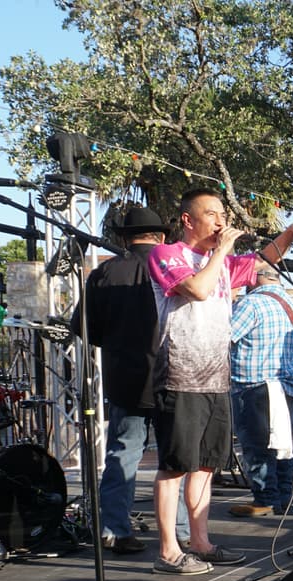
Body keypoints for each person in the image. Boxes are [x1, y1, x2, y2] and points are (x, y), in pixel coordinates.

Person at [148, 187, 293, 574]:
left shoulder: (222, 264)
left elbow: (265, 259)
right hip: (179, 376)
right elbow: (195, 289)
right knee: (175, 465)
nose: (220, 221)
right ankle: (167, 551)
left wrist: (292, 233)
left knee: (206, 466)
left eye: (222, 214)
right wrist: (222, 252)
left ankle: (200, 542)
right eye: (212, 214)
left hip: (217, 379)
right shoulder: (167, 255)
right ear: (187, 219)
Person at [70, 206, 188, 554]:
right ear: (162, 236)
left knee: (123, 453)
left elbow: (84, 328)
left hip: (126, 378)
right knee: (174, 460)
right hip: (174, 374)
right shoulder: (174, 267)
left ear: (124, 237)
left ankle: (116, 530)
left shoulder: (105, 272)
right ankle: (179, 532)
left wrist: (118, 341)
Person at [228, 266, 293, 517]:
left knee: (257, 445)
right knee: (284, 445)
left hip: (256, 383)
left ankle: (265, 499)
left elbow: (225, 337)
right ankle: (283, 498)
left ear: (256, 277)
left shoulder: (251, 304)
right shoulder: (292, 306)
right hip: (288, 384)